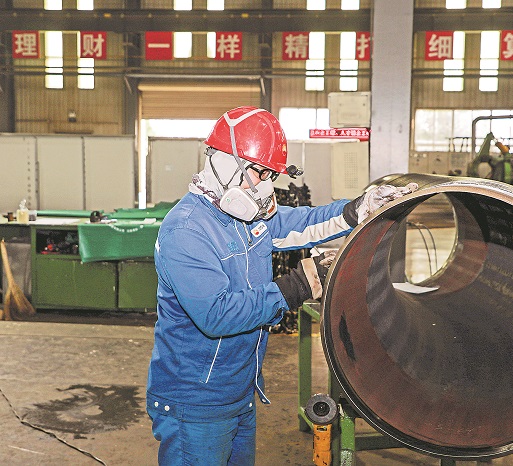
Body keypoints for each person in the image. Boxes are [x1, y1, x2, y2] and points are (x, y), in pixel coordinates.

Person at [146, 106, 417, 465]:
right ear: (225, 162)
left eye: (270, 176)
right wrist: (298, 285)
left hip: (238, 391)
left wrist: (357, 209)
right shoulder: (187, 230)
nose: (264, 187)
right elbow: (216, 315)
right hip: (195, 402)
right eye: (259, 173)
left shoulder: (242, 219)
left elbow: (302, 223)